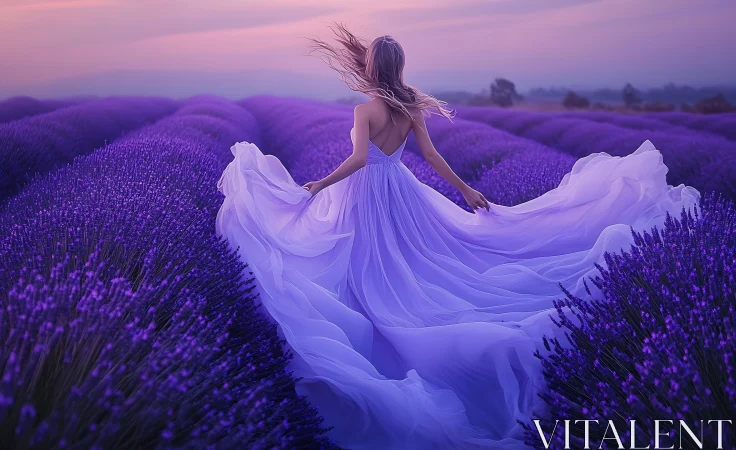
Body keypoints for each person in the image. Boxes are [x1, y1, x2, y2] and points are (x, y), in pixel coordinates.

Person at [215, 23, 700, 450]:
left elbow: (361, 160)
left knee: (362, 268)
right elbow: (431, 157)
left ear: (370, 66)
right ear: (399, 66)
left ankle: (377, 332)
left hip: (364, 196)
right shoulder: (410, 108)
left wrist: (319, 184)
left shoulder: (365, 110)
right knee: (408, 265)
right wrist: (465, 189)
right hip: (403, 193)